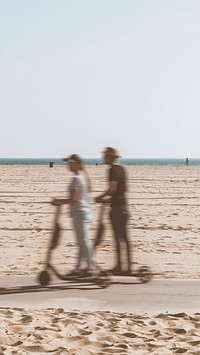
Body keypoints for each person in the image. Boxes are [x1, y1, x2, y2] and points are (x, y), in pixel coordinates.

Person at [52, 154, 94, 275]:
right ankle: (79, 267)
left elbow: (73, 200)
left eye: (70, 163)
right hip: (82, 212)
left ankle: (90, 267)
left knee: (84, 241)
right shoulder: (81, 177)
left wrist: (58, 201)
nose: (68, 165)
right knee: (81, 241)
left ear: (76, 164)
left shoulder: (77, 179)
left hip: (80, 213)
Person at [95, 147, 131, 275]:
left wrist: (101, 197)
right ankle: (129, 266)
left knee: (117, 238)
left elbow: (112, 188)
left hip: (116, 209)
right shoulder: (122, 169)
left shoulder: (112, 170)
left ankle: (120, 267)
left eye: (105, 156)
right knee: (125, 238)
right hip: (125, 207)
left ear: (111, 157)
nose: (104, 158)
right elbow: (125, 188)